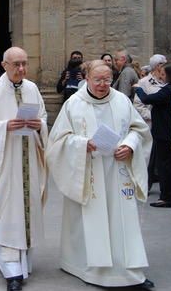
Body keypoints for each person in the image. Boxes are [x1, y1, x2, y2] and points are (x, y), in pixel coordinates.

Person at [46, 60, 153, 289]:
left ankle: (128, 269)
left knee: (121, 220)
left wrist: (131, 146)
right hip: (88, 171)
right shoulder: (74, 104)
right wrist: (83, 144)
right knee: (91, 221)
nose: (103, 84)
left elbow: (139, 130)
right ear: (87, 79)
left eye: (107, 79)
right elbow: (57, 141)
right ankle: (86, 267)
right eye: (98, 80)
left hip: (118, 170)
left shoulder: (121, 100)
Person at [0, 47, 48, 291]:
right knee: (7, 209)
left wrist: (39, 126)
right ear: (4, 65)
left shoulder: (32, 89)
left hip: (29, 163)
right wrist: (4, 127)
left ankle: (14, 256)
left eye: (25, 63)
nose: (21, 69)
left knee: (25, 209)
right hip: (4, 164)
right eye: (16, 64)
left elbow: (43, 117)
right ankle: (11, 266)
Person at [134, 64, 171, 208]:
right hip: (167, 131)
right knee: (168, 164)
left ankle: (166, 196)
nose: (161, 76)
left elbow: (148, 99)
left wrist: (138, 89)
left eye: (163, 73)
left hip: (164, 132)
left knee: (164, 165)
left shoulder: (169, 90)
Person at [133, 54, 166, 190]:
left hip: (164, 123)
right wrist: (151, 115)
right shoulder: (144, 82)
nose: (164, 65)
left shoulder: (167, 81)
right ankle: (144, 183)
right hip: (150, 123)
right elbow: (138, 104)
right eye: (163, 63)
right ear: (157, 66)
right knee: (148, 155)